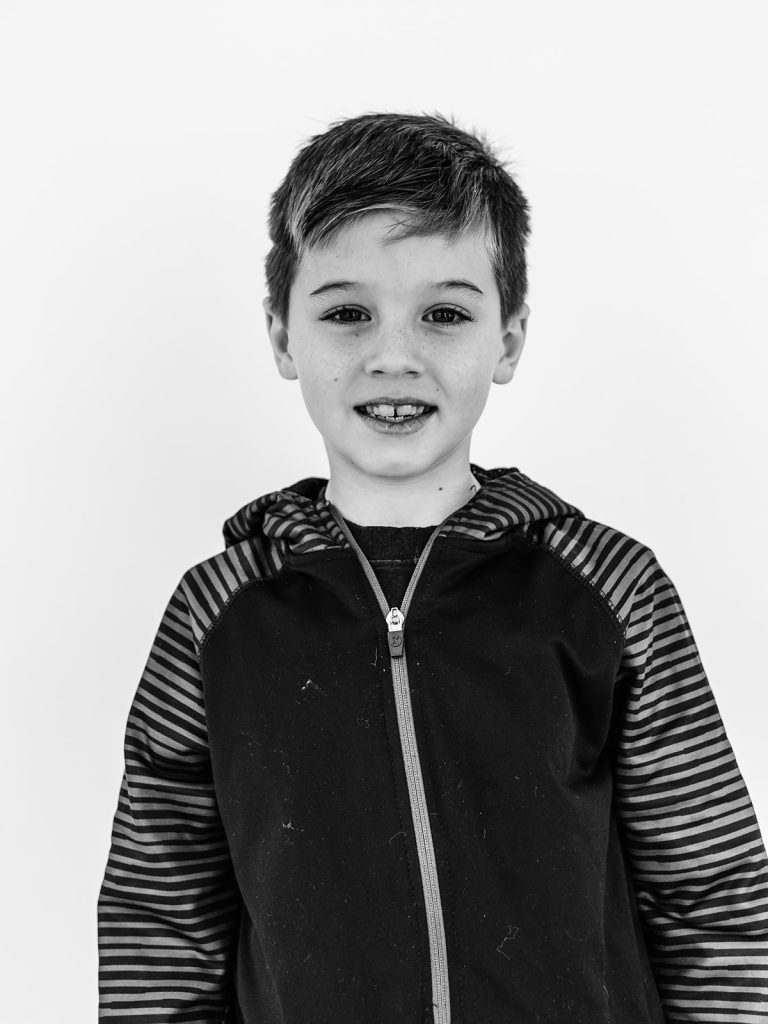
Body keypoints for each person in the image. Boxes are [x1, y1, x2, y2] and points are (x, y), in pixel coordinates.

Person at [97, 112, 768, 1023]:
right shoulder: (217, 613)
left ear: (510, 338)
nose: (393, 356)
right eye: (346, 313)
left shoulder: (609, 588)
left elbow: (713, 894)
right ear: (283, 337)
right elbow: (162, 920)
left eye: (444, 314)